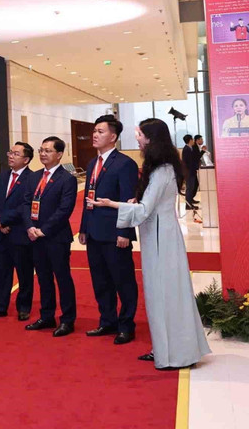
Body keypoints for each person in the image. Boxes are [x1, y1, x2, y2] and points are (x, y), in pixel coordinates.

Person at [92, 118, 211, 370]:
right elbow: (149, 203)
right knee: (162, 295)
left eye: (140, 135)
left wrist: (112, 204)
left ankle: (175, 353)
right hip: (159, 234)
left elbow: (145, 210)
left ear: (151, 138)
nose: (137, 139)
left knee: (165, 295)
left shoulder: (162, 170)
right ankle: (166, 349)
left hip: (161, 238)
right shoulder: (162, 168)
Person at [79, 115, 140, 345]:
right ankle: (107, 321)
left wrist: (124, 232)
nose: (95, 135)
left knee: (123, 281)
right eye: (94, 130)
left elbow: (128, 201)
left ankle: (126, 326)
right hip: (94, 232)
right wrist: (83, 227)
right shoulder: (92, 164)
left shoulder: (125, 164)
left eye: (100, 131)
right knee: (100, 280)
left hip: (115, 234)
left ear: (113, 136)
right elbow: (88, 198)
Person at [22, 136, 77, 337]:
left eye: (48, 150)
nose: (43, 154)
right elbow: (26, 203)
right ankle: (47, 316)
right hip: (34, 236)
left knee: (62, 279)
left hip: (55, 237)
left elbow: (65, 209)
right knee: (43, 279)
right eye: (41, 150)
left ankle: (67, 320)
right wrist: (29, 227)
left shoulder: (67, 179)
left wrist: (44, 229)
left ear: (59, 154)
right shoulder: (33, 177)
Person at [0, 142, 35, 321]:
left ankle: (24, 307)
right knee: (2, 272)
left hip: (19, 232)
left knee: (24, 272)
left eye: (16, 153)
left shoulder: (32, 179)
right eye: (10, 152)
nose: (10, 156)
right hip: (1, 232)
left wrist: (5, 219)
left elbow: (25, 206)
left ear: (26, 159)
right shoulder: (2, 176)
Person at [181, 135, 200, 209]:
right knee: (189, 188)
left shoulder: (190, 148)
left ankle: (190, 202)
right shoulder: (186, 149)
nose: (193, 141)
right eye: (192, 139)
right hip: (189, 172)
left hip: (191, 171)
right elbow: (188, 162)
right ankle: (188, 205)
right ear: (190, 140)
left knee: (191, 187)